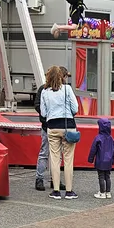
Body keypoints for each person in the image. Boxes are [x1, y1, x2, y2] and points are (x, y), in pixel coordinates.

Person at [40, 64, 79, 200]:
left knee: (55, 159)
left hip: (52, 126)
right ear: (62, 77)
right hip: (68, 125)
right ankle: (69, 191)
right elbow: (75, 108)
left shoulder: (45, 92)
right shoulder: (67, 89)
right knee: (68, 160)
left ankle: (56, 190)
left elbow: (43, 112)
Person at [87, 118, 114, 199]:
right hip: (109, 161)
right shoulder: (111, 138)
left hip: (100, 160)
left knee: (101, 176)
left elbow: (93, 149)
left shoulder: (98, 138)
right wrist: (113, 160)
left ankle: (102, 192)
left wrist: (90, 159)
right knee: (108, 176)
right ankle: (108, 192)